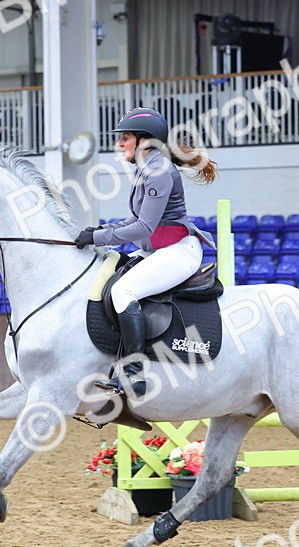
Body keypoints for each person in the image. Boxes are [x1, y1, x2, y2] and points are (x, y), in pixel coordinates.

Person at [75, 107, 218, 396]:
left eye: (125, 138)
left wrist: (99, 237)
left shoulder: (159, 171)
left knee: (123, 291)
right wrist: (98, 231)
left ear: (145, 141)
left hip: (179, 252)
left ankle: (135, 373)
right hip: (159, 251)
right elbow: (134, 219)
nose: (119, 144)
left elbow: (143, 227)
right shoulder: (146, 168)